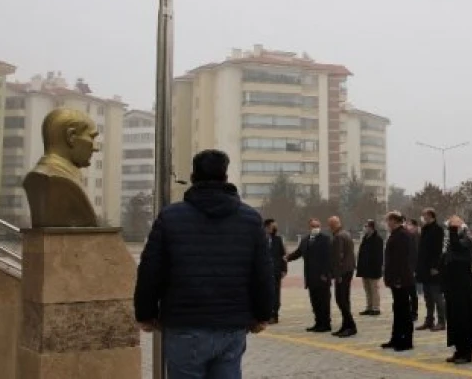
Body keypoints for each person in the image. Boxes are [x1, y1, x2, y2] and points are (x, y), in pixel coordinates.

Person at [134, 149, 274, 379]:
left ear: (192, 177)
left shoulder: (170, 217)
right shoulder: (249, 219)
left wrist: (145, 313)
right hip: (231, 325)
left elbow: (150, 269)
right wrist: (262, 314)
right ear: (225, 178)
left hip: (184, 326)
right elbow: (262, 272)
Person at [442, 215, 472, 364]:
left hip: (464, 288)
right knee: (454, 320)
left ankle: (466, 353)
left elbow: (458, 249)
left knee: (464, 320)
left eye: (452, 229)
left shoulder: (466, 242)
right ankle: (458, 350)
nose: (449, 233)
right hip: (453, 287)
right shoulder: (452, 244)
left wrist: (453, 229)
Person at [285, 218, 333, 333]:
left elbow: (328, 258)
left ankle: (326, 324)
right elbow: (298, 253)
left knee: (324, 301)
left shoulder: (325, 239)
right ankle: (318, 322)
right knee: (315, 301)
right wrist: (286, 258)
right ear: (309, 227)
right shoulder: (305, 240)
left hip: (322, 276)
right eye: (313, 226)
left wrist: (325, 273)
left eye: (317, 226)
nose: (315, 228)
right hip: (311, 277)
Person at [382, 211, 415, 352]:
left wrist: (398, 279)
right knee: (398, 309)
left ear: (394, 221)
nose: (387, 223)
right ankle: (396, 338)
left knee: (404, 311)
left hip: (401, 279)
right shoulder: (396, 234)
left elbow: (402, 260)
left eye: (388, 220)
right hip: (396, 278)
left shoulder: (402, 235)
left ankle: (406, 341)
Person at [416, 208, 447, 331]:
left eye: (424, 215)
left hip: (434, 269)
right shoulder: (425, 229)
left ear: (430, 216)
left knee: (437, 296)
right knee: (427, 296)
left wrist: (435, 267)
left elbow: (438, 250)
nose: (423, 217)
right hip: (424, 268)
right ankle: (429, 321)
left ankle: (441, 321)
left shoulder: (438, 229)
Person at [328, 216, 357, 337]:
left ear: (334, 225)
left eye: (330, 225)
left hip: (342, 272)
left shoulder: (338, 236)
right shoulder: (346, 234)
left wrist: (337, 274)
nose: (329, 227)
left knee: (341, 300)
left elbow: (338, 257)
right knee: (345, 299)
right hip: (348, 270)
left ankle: (351, 326)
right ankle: (346, 325)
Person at [357, 219, 385, 316]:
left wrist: (378, 268)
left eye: (366, 226)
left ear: (371, 227)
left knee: (374, 289)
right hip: (365, 268)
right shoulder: (365, 238)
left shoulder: (377, 239)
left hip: (373, 269)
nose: (365, 228)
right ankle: (369, 307)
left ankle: (376, 307)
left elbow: (378, 256)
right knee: (367, 289)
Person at [264, 218, 287, 324]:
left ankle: (274, 315)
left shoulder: (278, 240)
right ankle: (266, 314)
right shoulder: (261, 239)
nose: (274, 228)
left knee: (276, 294)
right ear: (267, 227)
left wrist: (284, 269)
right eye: (272, 226)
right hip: (264, 272)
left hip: (276, 271)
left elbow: (283, 255)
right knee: (266, 293)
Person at [406, 218, 421, 322]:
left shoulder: (417, 237)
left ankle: (414, 312)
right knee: (408, 291)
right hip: (407, 267)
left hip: (414, 267)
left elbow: (416, 254)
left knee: (413, 292)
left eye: (410, 225)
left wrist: (415, 268)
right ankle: (410, 311)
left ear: (415, 226)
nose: (408, 226)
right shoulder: (408, 236)